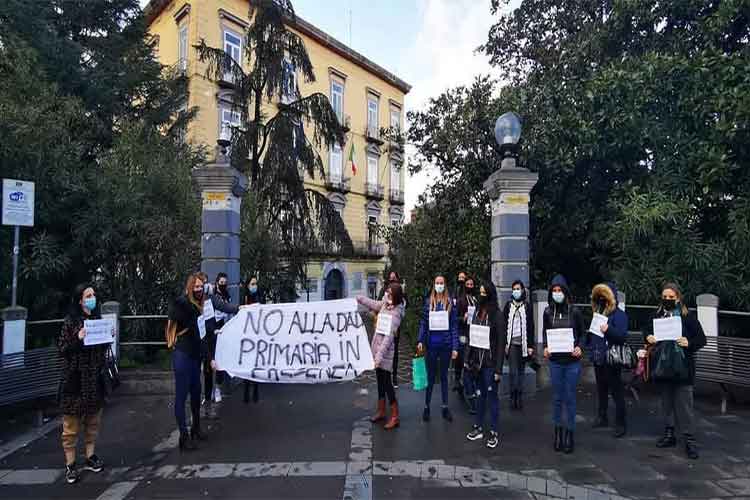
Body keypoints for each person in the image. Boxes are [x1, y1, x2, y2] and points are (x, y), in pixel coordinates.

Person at [643, 282, 706, 459]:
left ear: (678, 298)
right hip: (662, 366)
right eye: (665, 297)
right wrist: (648, 336)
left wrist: (689, 343)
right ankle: (669, 434)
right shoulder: (657, 315)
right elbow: (646, 330)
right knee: (666, 404)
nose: (668, 300)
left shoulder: (688, 317)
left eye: (671, 297)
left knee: (685, 406)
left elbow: (701, 339)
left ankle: (689, 440)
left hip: (683, 368)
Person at [57, 284, 108, 484]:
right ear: (80, 300)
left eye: (94, 295)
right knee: (71, 426)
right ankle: (70, 464)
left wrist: (108, 336)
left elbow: (101, 348)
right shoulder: (71, 322)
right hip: (75, 380)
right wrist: (77, 339)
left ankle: (90, 456)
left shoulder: (97, 320)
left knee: (92, 422)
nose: (92, 298)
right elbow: (62, 349)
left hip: (94, 379)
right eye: (88, 295)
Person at [542, 274, 585, 454]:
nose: (557, 293)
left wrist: (580, 347)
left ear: (565, 292)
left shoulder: (574, 312)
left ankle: (570, 434)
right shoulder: (547, 312)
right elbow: (545, 333)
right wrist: (545, 347)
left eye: (560, 290)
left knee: (570, 398)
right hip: (555, 362)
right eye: (554, 291)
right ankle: (558, 433)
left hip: (572, 362)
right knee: (557, 399)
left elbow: (583, 334)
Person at [357, 283, 405, 430]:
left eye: (390, 294)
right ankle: (381, 411)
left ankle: (395, 416)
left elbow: (388, 339)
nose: (387, 295)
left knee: (387, 384)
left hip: (385, 354)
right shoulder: (385, 304)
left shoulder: (396, 313)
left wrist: (378, 357)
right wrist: (361, 299)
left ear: (396, 296)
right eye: (387, 292)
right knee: (379, 382)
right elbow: (374, 304)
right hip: (377, 350)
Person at [169, 272, 207, 451]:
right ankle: (183, 436)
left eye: (201, 286)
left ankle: (196, 428)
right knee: (181, 396)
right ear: (190, 287)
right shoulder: (182, 303)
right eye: (196, 287)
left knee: (196, 393)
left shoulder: (201, 304)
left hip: (194, 356)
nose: (199, 290)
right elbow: (175, 319)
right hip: (183, 355)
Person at [465, 281, 505, 449]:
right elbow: (471, 336)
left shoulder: (497, 314)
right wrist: (468, 359)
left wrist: (498, 369)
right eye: (479, 292)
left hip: (490, 364)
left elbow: (501, 343)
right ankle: (479, 427)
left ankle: (494, 432)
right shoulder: (477, 312)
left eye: (484, 293)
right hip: (477, 364)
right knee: (480, 395)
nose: (481, 295)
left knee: (492, 398)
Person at [587, 283, 629, 437]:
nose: (602, 300)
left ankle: (621, 423)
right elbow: (593, 335)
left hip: (612, 358)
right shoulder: (598, 313)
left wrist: (608, 329)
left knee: (617, 392)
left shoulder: (619, 315)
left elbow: (622, 336)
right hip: (599, 357)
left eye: (605, 297)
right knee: (601, 390)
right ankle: (602, 417)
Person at [417, 275, 459, 422]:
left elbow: (454, 326)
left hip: (446, 345)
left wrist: (455, 346)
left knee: (444, 377)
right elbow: (423, 322)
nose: (439, 285)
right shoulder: (429, 302)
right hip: (431, 345)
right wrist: (420, 340)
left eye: (441, 283)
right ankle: (427, 407)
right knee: (430, 377)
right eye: (437, 283)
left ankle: (445, 407)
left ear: (445, 285)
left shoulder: (450, 303)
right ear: (434, 285)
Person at [202, 272, 239, 412]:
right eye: (221, 283)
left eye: (225, 283)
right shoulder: (209, 298)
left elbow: (226, 308)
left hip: (221, 329)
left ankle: (216, 388)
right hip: (209, 332)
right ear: (216, 282)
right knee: (208, 364)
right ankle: (208, 393)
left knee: (219, 361)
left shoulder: (224, 295)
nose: (223, 285)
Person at [502, 280, 535, 410]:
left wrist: (531, 346)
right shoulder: (508, 305)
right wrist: (504, 343)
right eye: (514, 289)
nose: (516, 291)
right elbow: (504, 325)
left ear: (522, 290)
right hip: (512, 345)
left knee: (521, 372)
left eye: (518, 288)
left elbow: (531, 326)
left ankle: (519, 397)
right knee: (513, 372)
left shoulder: (527, 306)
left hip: (524, 344)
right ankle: (512, 396)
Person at [378, 271, 406, 388]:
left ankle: (393, 377)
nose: (392, 280)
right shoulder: (384, 290)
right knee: (383, 350)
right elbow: (379, 303)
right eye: (391, 279)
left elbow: (404, 306)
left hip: (395, 329)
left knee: (394, 353)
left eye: (394, 279)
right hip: (383, 327)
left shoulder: (400, 291)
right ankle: (385, 375)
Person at [456, 276, 478, 413]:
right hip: (464, 332)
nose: (470, 286)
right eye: (468, 284)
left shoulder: (476, 299)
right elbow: (455, 317)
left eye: (472, 284)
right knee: (464, 360)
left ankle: (466, 384)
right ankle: (463, 384)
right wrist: (462, 318)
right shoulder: (461, 300)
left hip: (475, 333)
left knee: (471, 361)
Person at [242, 276, 264, 403]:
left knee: (255, 363)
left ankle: (255, 390)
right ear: (248, 285)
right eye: (252, 283)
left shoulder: (259, 297)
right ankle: (246, 391)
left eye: (255, 283)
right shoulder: (244, 298)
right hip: (247, 335)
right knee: (247, 363)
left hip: (257, 334)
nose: (254, 286)